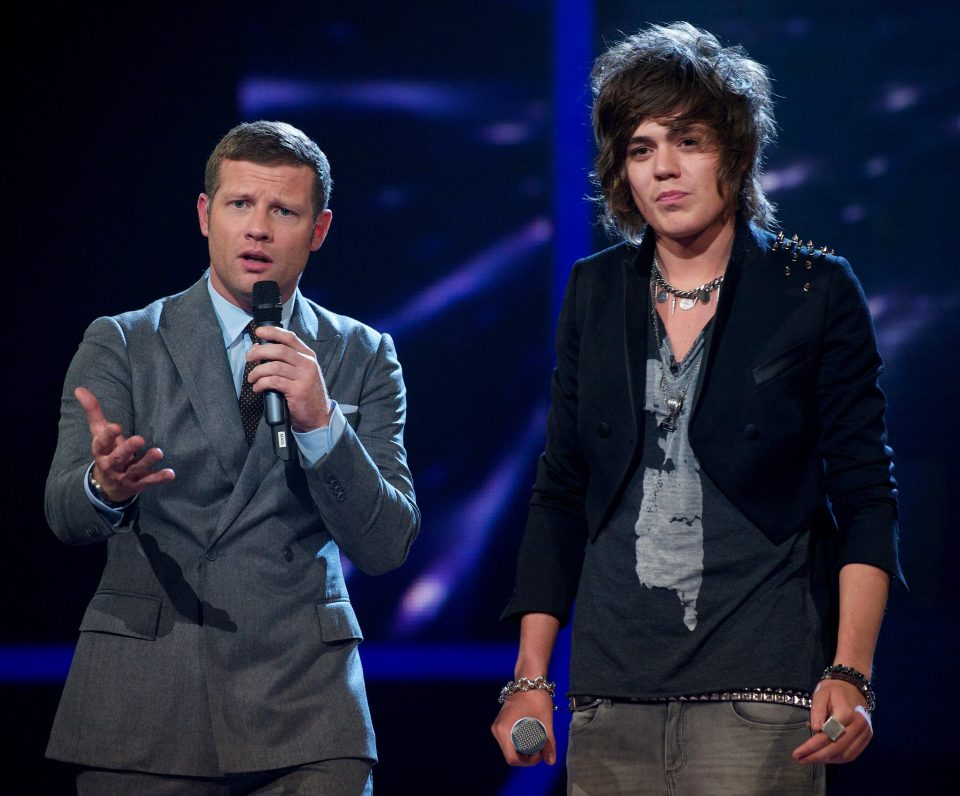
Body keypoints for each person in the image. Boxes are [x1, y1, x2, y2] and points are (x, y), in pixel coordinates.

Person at [491, 22, 904, 795]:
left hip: (763, 699)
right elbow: (560, 491)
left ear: (736, 153)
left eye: (688, 141)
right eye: (641, 148)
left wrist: (852, 670)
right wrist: (531, 677)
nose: (665, 169)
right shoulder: (595, 290)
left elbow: (865, 492)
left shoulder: (813, 289)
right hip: (608, 702)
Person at [44, 120, 420, 794]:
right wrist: (105, 484)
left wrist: (323, 424)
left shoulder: (362, 355)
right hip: (146, 700)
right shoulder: (124, 342)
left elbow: (388, 545)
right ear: (204, 214)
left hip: (307, 708)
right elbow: (65, 514)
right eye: (240, 204)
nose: (258, 229)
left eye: (283, 210)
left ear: (319, 228)